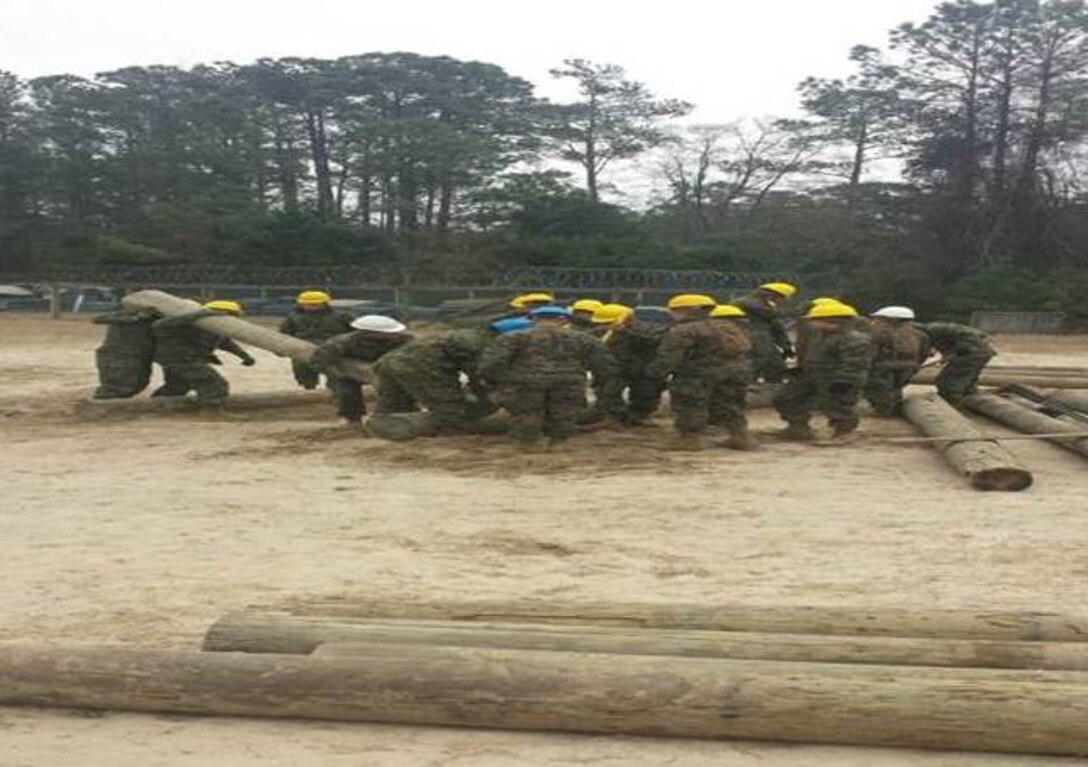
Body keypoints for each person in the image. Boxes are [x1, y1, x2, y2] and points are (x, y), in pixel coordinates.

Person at [477, 305, 613, 451]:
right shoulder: (584, 338)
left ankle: (529, 443)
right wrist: (601, 380)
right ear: (563, 320)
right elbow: (602, 363)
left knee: (528, 412)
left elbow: (493, 362)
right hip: (568, 381)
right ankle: (559, 442)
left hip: (526, 381)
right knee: (564, 412)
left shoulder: (514, 337)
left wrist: (496, 380)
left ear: (534, 319)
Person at [647, 294, 754, 451]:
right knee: (731, 404)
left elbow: (669, 357)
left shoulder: (683, 330)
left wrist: (655, 374)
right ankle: (741, 437)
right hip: (736, 371)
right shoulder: (727, 326)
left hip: (698, 374)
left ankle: (690, 440)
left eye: (673, 311)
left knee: (690, 404)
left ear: (683, 310)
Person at [369, 325, 503, 438]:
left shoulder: (471, 334)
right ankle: (451, 432)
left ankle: (381, 428)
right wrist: (485, 396)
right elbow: (477, 372)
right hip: (421, 367)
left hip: (391, 362)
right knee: (450, 410)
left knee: (394, 404)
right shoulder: (478, 342)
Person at [773, 301, 871, 444]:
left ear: (830, 321)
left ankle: (844, 432)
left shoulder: (853, 338)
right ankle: (798, 427)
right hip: (811, 374)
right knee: (787, 397)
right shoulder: (821, 335)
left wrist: (845, 380)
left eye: (814, 320)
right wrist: (800, 369)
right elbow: (815, 355)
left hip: (837, 378)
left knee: (838, 406)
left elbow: (856, 363)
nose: (810, 323)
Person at [310, 314, 412, 426]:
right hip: (347, 373)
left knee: (398, 391)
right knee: (346, 392)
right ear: (364, 333)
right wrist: (335, 373)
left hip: (386, 371)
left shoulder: (405, 341)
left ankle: (398, 416)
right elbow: (319, 361)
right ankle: (352, 418)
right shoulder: (342, 342)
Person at [150, 300, 256, 406]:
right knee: (213, 384)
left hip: (186, 359)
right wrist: (199, 315)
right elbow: (159, 325)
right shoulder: (189, 323)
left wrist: (244, 356)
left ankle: (157, 405)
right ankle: (210, 411)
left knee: (179, 385)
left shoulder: (215, 328)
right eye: (233, 316)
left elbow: (225, 342)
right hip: (181, 359)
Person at [594, 303, 667, 426]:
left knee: (645, 394)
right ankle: (616, 416)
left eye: (608, 322)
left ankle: (640, 416)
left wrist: (626, 331)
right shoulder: (600, 331)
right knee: (608, 393)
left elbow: (654, 339)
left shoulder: (646, 329)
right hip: (615, 367)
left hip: (642, 368)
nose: (605, 325)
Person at [279, 291, 353, 390]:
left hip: (333, 347)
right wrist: (281, 348)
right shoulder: (294, 316)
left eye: (315, 304)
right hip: (303, 346)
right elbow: (285, 333)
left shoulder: (342, 316)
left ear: (324, 304)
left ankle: (334, 389)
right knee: (303, 369)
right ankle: (309, 387)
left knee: (335, 372)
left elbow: (353, 332)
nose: (311, 306)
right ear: (301, 304)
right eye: (308, 304)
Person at [865, 306, 930, 416]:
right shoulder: (921, 334)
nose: (875, 321)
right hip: (910, 366)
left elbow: (872, 351)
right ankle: (895, 408)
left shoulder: (879, 332)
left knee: (879, 387)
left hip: (883, 365)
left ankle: (884, 410)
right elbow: (924, 352)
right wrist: (917, 365)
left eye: (879, 318)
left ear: (890, 319)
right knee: (896, 388)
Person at [733, 282, 797, 383]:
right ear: (772, 294)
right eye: (781, 298)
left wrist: (786, 346)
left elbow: (777, 328)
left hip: (763, 339)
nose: (781, 301)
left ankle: (770, 391)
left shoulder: (767, 305)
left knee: (776, 366)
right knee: (756, 366)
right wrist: (797, 311)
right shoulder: (746, 302)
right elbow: (769, 314)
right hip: (748, 338)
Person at [91, 306, 159, 399]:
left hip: (135, 354)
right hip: (115, 353)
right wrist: (132, 318)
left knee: (137, 382)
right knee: (118, 382)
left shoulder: (155, 320)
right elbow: (97, 319)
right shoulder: (122, 316)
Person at [922, 320, 996, 405]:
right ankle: (968, 400)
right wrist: (947, 356)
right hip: (977, 352)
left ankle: (952, 403)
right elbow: (946, 345)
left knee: (949, 382)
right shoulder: (937, 329)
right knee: (966, 381)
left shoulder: (929, 332)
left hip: (972, 353)